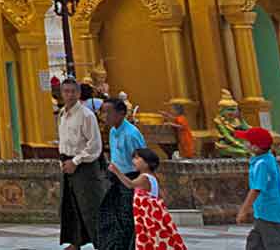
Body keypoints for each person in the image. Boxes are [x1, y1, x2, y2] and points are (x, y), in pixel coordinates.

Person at [58, 78, 106, 250]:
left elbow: (94, 145)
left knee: (91, 206)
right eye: (66, 91)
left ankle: (102, 244)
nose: (69, 95)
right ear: (61, 93)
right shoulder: (62, 114)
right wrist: (63, 162)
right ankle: (76, 241)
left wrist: (76, 161)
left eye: (73, 91)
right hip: (67, 164)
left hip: (84, 166)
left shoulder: (87, 115)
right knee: (71, 204)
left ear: (78, 93)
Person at [111, 146, 187, 250]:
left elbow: (130, 184)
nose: (134, 161)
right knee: (157, 236)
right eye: (134, 158)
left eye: (137, 158)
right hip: (154, 215)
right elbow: (161, 195)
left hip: (147, 217)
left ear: (147, 163)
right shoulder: (153, 176)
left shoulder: (144, 177)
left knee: (150, 237)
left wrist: (116, 171)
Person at [234, 126, 280, 250]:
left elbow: (256, 189)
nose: (244, 143)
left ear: (255, 147)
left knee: (279, 244)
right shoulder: (266, 158)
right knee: (255, 244)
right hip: (263, 213)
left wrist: (243, 210)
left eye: (247, 141)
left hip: (270, 214)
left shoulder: (262, 164)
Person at [98, 97, 143, 250]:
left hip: (131, 179)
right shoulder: (112, 131)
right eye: (103, 113)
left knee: (128, 218)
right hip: (116, 179)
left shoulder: (131, 134)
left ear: (121, 113)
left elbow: (142, 160)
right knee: (111, 215)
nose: (105, 117)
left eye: (109, 112)